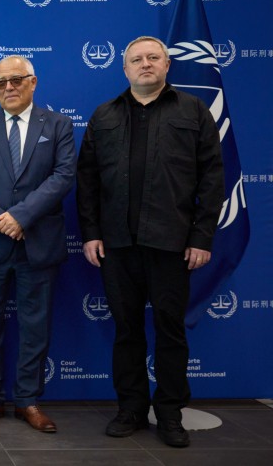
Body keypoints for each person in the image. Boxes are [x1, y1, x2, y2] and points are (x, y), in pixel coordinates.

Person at [77, 36, 224, 448]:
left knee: (170, 331)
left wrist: (201, 236)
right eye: (137, 59)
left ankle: (171, 413)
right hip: (117, 244)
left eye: (153, 58)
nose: (145, 64)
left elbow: (213, 178)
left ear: (167, 64)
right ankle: (131, 409)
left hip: (172, 243)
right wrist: (91, 233)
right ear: (124, 69)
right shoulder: (104, 115)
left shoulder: (193, 111)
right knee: (126, 330)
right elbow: (87, 180)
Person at [0, 55, 76, 433]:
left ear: (33, 82)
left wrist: (21, 217)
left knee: (35, 328)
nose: (9, 87)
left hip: (38, 245)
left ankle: (28, 401)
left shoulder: (58, 125)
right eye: (1, 82)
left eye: (17, 80)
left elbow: (63, 175)